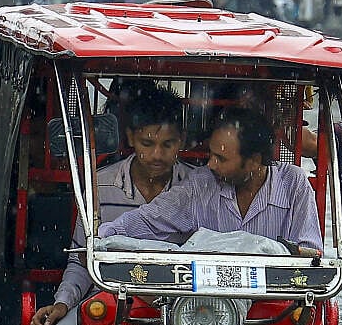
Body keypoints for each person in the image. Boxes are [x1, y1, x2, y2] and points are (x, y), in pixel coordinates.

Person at [12, 86, 194, 325]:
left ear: (181, 141)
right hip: (106, 305)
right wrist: (63, 304)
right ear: (130, 138)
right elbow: (82, 260)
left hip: (179, 310)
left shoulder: (198, 188)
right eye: (147, 143)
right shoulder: (100, 186)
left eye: (167, 145)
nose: (156, 155)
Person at [98, 106, 322, 254]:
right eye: (211, 155)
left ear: (254, 161)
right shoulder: (202, 183)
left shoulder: (293, 183)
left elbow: (310, 254)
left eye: (221, 158)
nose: (211, 164)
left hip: (274, 307)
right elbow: (150, 219)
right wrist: (102, 237)